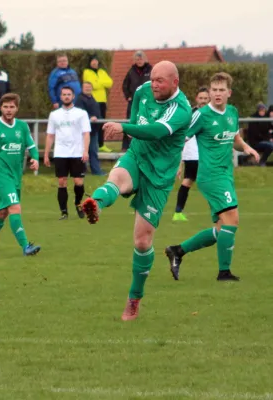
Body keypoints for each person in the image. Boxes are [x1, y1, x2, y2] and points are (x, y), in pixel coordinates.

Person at [81, 61, 192, 321]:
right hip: (137, 156)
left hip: (160, 176)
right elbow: (137, 122)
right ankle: (95, 203)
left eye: (160, 81)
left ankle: (134, 299)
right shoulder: (143, 91)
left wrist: (123, 128)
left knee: (142, 242)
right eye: (152, 79)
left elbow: (154, 132)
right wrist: (128, 135)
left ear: (174, 83)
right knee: (116, 178)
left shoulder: (182, 110)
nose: (153, 84)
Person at [164, 73, 260, 282]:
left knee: (221, 228)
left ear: (228, 93)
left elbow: (233, 138)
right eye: (213, 90)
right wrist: (175, 164)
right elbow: (182, 138)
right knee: (233, 221)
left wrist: (246, 148)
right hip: (211, 176)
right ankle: (223, 273)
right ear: (209, 92)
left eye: (221, 90)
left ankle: (177, 251)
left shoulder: (232, 112)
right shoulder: (202, 115)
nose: (216, 94)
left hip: (226, 175)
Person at [0, 93, 41, 256]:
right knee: (15, 207)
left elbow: (31, 146)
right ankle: (26, 246)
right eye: (5, 107)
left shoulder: (22, 127)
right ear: (1, 107)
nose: (9, 110)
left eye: (12, 107)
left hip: (16, 176)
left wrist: (36, 159)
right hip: (0, 176)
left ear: (17, 108)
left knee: (2, 213)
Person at [44, 86, 91, 220]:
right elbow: (50, 135)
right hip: (60, 152)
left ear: (73, 96)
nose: (66, 97)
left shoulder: (81, 113)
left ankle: (78, 203)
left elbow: (86, 133)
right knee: (62, 181)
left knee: (78, 182)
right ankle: (64, 212)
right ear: (60, 96)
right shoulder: (54, 115)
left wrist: (85, 150)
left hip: (77, 152)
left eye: (69, 94)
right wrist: (47, 153)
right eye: (64, 94)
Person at [173, 87, 210, 221]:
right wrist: (179, 162)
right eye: (201, 98)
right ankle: (178, 212)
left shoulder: (211, 114)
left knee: (201, 181)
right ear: (196, 99)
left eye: (206, 98)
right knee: (190, 181)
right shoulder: (191, 115)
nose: (203, 101)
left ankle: (178, 212)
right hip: (193, 154)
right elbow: (182, 137)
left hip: (206, 154)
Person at [122, 51, 153, 151]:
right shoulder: (131, 71)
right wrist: (128, 96)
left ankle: (146, 143)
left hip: (147, 101)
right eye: (137, 59)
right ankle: (126, 145)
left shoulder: (151, 70)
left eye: (141, 59)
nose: (139, 61)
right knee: (130, 121)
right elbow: (125, 85)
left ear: (145, 59)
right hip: (133, 102)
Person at [82, 54, 113, 153]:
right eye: (93, 61)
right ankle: (91, 144)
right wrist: (101, 83)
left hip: (102, 101)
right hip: (92, 101)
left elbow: (110, 83)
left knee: (101, 123)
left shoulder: (102, 71)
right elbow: (91, 85)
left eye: (96, 61)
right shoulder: (87, 72)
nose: (94, 62)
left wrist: (98, 82)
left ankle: (101, 144)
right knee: (91, 123)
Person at [75, 81, 106, 175]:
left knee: (93, 151)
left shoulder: (92, 98)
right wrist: (89, 117)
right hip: (84, 131)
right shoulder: (80, 99)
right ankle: (82, 170)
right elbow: (80, 113)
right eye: (86, 87)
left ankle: (95, 170)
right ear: (82, 88)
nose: (88, 89)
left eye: (89, 87)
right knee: (85, 151)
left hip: (93, 130)